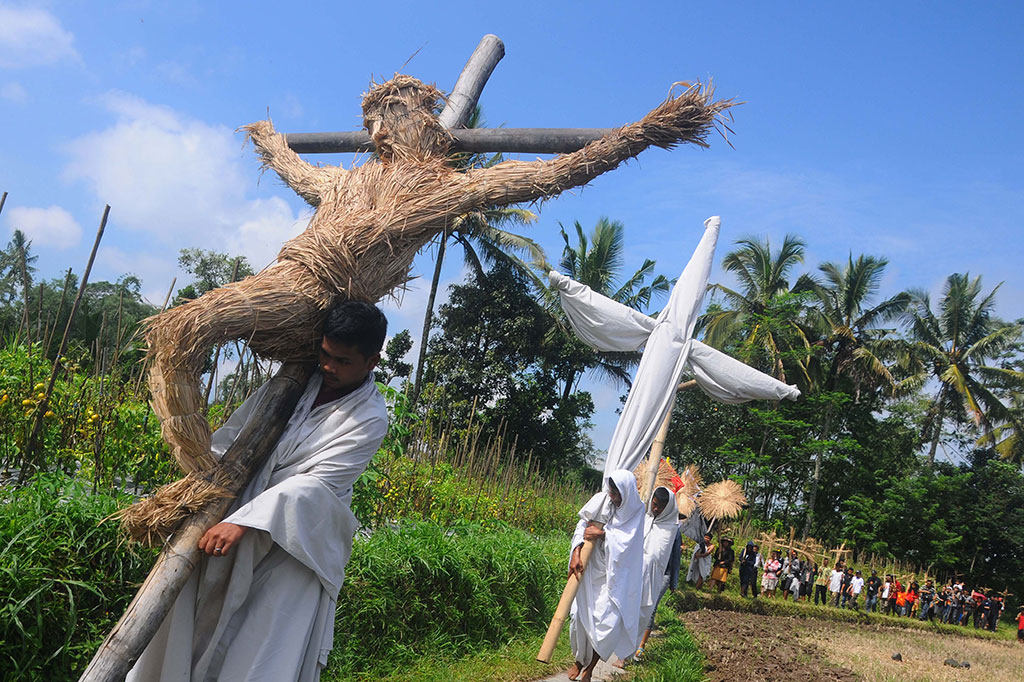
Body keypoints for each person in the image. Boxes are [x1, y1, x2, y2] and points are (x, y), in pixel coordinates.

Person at [126, 301, 389, 682]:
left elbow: (317, 487)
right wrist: (200, 486)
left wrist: (245, 522)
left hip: (296, 547)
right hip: (228, 521)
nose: (330, 367)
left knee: (260, 648)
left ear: (371, 362)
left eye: (343, 361)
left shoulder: (369, 418)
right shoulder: (291, 384)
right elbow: (235, 436)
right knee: (189, 626)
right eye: (326, 354)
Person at [567, 470, 645, 682]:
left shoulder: (637, 510)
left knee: (607, 626)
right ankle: (579, 660)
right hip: (591, 568)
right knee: (578, 619)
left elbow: (629, 545)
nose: (613, 497)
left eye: (617, 493)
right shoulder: (602, 500)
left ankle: (590, 669)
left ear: (626, 492)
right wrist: (576, 552)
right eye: (611, 491)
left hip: (616, 577)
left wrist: (602, 534)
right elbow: (582, 526)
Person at [627, 487, 678, 663]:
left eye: (660, 507)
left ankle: (629, 652)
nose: (656, 509)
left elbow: (658, 555)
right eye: (654, 505)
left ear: (668, 508)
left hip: (654, 576)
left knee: (645, 611)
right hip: (633, 571)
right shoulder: (644, 518)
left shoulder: (671, 528)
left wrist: (674, 581)